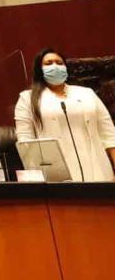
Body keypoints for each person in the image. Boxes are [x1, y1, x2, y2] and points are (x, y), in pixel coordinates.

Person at [14, 48, 115, 182]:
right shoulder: (27, 99)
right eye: (48, 63)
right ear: (39, 70)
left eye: (59, 63)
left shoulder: (87, 93)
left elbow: (109, 135)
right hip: (56, 177)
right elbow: (26, 143)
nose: (55, 66)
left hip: (98, 171)